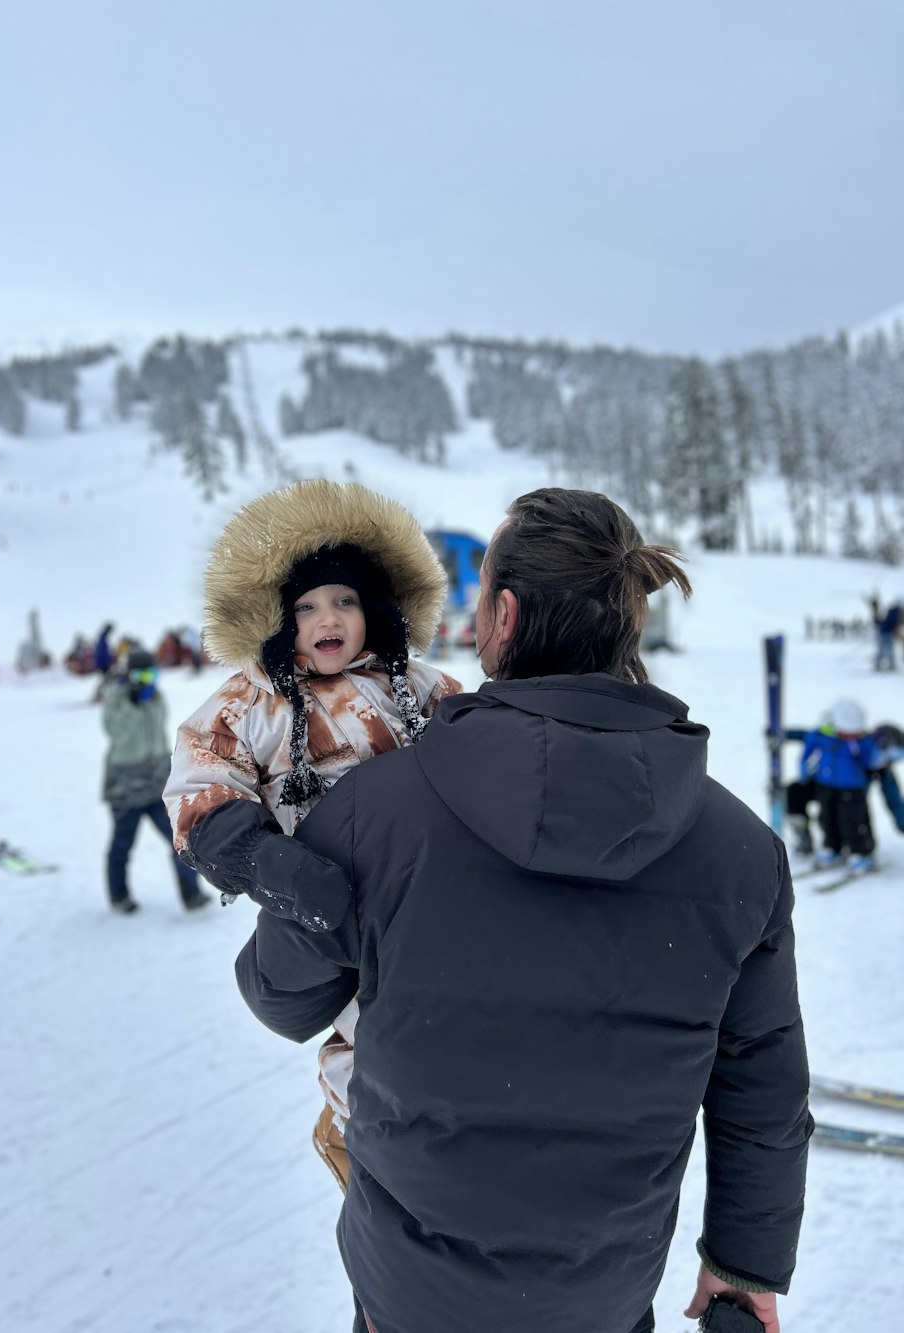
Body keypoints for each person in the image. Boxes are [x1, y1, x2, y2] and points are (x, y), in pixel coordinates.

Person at [232, 488, 812, 1333]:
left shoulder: (376, 811)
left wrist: (292, 870)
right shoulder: (741, 849)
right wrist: (745, 1266)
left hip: (410, 1301)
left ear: (503, 615)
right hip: (602, 1302)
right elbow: (763, 1084)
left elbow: (282, 1000)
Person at [164, 478, 462, 1189]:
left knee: (437, 1021)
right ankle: (366, 1157)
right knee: (367, 1034)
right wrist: (265, 860)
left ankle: (436, 1162)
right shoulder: (253, 698)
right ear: (278, 618)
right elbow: (202, 780)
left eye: (345, 600)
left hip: (424, 898)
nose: (329, 617)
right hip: (325, 902)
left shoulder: (415, 686)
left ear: (375, 609)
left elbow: (483, 746)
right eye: (307, 605)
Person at [102, 648, 210, 914]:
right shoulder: (115, 699)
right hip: (125, 784)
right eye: (141, 675)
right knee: (122, 844)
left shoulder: (155, 696)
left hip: (156, 783)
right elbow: (117, 732)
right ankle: (119, 896)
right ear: (128, 675)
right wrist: (131, 703)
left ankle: (191, 894)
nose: (147, 680)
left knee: (180, 839)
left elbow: (159, 729)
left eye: (152, 674)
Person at [800, 698, 887, 873]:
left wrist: (874, 757)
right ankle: (833, 848)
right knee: (826, 818)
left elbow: (870, 761)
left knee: (853, 820)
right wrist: (804, 770)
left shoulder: (861, 741)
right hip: (825, 785)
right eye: (848, 733)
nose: (851, 736)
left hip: (852, 788)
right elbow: (808, 752)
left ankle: (861, 852)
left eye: (855, 732)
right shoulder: (822, 736)